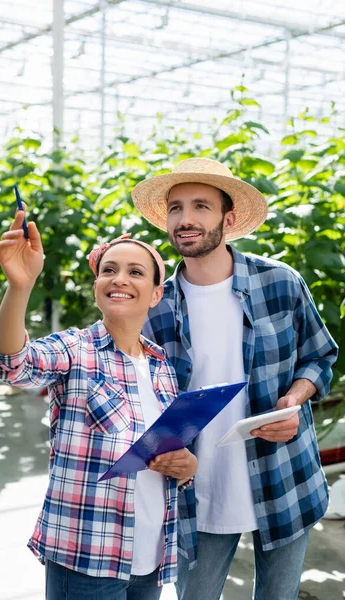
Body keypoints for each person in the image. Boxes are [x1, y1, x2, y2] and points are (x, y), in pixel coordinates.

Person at [132, 157, 339, 600]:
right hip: (196, 489)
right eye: (175, 208)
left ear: (228, 218)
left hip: (283, 478)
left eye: (201, 207)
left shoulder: (280, 282)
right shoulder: (155, 306)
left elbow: (319, 356)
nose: (185, 219)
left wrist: (295, 400)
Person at [0, 209, 198, 600]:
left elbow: (169, 451)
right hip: (87, 556)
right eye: (109, 270)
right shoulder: (76, 349)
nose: (119, 279)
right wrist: (20, 286)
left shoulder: (162, 365)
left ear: (155, 294)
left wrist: (187, 466)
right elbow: (10, 363)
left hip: (150, 555)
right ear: (97, 285)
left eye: (136, 272)